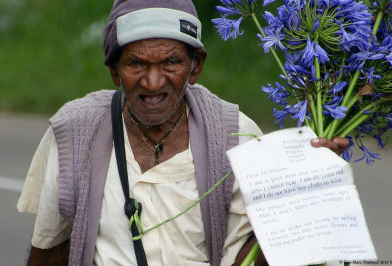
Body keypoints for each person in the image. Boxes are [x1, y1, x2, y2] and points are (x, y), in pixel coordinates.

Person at [17, 0, 349, 265]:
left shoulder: (237, 137)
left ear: (196, 66)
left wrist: (303, 190)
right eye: (136, 64)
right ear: (114, 71)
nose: (153, 82)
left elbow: (256, 255)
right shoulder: (77, 133)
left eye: (170, 63)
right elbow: (49, 248)